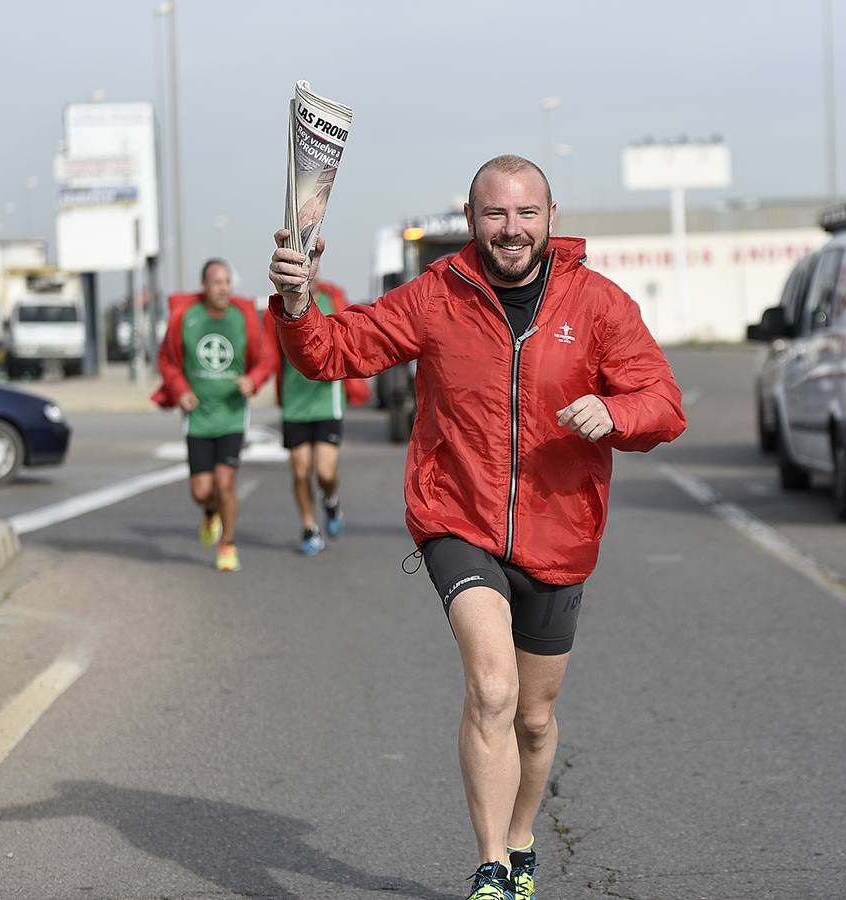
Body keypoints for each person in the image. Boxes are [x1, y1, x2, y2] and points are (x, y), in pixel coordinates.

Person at [267, 155, 686, 900]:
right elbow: (332, 353)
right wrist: (296, 305)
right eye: (495, 214)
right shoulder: (436, 297)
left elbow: (662, 402)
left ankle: (523, 836)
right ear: (471, 220)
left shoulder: (597, 305)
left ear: (551, 219)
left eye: (526, 213)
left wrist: (617, 413)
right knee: (491, 688)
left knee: (533, 715)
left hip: (560, 535)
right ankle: (490, 865)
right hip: (456, 519)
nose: (511, 228)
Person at [152, 259, 274, 572]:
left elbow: (266, 358)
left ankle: (228, 544)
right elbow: (167, 361)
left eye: (227, 282)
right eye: (216, 282)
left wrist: (253, 380)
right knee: (202, 491)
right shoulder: (186, 317)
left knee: (225, 483)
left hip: (232, 415)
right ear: (204, 286)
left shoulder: (242, 317)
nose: (223, 288)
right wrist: (180, 390)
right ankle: (210, 514)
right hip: (198, 416)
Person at [262, 278, 370, 556]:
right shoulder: (280, 304)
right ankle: (309, 527)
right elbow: (268, 352)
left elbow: (352, 339)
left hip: (327, 399)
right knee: (300, 472)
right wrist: (255, 379)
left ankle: (331, 501)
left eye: (313, 265)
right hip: (295, 402)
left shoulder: (332, 301)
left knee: (324, 472)